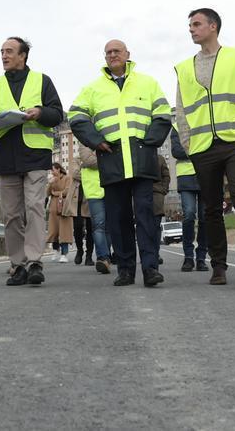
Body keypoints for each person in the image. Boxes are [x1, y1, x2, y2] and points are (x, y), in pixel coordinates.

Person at [68, 39, 172, 288]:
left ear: (128, 54)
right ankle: (125, 270)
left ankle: (150, 269)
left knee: (146, 216)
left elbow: (163, 114)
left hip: (141, 158)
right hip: (112, 158)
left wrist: (150, 142)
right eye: (108, 52)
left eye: (117, 51)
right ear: (104, 58)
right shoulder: (93, 88)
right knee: (119, 218)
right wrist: (96, 141)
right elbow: (76, 115)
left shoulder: (147, 83)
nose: (112, 55)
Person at [174, 8, 235, 288]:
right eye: (190, 25)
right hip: (202, 148)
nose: (191, 29)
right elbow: (181, 111)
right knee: (210, 209)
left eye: (196, 24)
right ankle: (218, 266)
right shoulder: (185, 67)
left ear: (213, 26)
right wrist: (188, 144)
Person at [0, 37, 64, 287]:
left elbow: (57, 113)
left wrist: (40, 112)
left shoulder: (42, 80)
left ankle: (35, 262)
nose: (4, 55)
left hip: (35, 155)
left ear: (23, 55)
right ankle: (18, 265)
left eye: (9, 51)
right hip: (5, 157)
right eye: (1, 51)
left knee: (35, 207)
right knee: (11, 215)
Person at [170, 124, 209, 272]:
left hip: (205, 173)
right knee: (189, 214)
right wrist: (199, 149)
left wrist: (189, 148)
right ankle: (188, 257)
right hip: (186, 176)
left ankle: (201, 258)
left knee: (205, 216)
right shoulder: (176, 126)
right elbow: (176, 151)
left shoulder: (203, 119)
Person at [76, 143, 112, 273]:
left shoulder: (109, 138)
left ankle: (107, 256)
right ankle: (103, 257)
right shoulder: (84, 142)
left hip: (110, 186)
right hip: (94, 191)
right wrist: (109, 158)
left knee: (109, 227)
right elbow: (88, 160)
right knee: (99, 225)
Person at [46, 163, 74, 263]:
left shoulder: (67, 178)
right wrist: (50, 184)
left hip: (64, 208)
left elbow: (67, 191)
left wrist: (55, 193)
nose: (52, 172)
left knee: (64, 232)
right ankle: (55, 250)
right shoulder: (52, 180)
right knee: (54, 231)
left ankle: (64, 254)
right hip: (53, 209)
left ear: (58, 169)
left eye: (53, 170)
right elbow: (47, 193)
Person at [68, 160, 93, 265]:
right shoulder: (76, 160)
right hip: (77, 200)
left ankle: (89, 255)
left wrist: (84, 169)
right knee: (77, 227)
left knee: (91, 228)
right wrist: (90, 174)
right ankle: (79, 250)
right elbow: (75, 174)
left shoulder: (94, 159)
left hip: (91, 197)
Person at [151, 154, 170, 267]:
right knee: (144, 225)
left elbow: (166, 175)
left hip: (157, 193)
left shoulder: (159, 158)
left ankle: (155, 253)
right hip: (140, 194)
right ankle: (148, 253)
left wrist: (164, 189)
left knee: (155, 225)